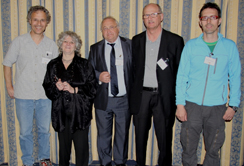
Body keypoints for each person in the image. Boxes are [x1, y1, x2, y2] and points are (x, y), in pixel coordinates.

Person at [175, 2, 241, 166]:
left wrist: (233, 105)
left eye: (213, 17)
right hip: (192, 107)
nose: (209, 21)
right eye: (205, 18)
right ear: (200, 21)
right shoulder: (191, 46)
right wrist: (180, 104)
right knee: (188, 149)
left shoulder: (229, 47)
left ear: (219, 21)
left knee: (213, 150)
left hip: (217, 108)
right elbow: (182, 76)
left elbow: (235, 77)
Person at [129, 3, 184, 166]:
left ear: (161, 16)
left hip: (164, 97)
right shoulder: (136, 40)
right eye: (146, 15)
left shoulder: (175, 40)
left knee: (164, 139)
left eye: (153, 14)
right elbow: (132, 71)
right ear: (143, 19)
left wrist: (180, 100)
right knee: (140, 138)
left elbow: (181, 73)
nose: (150, 18)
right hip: (142, 96)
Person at [2, 5, 58, 166]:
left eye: (42, 20)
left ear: (47, 22)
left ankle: (43, 160)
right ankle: (27, 161)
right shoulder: (19, 42)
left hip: (44, 97)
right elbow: (7, 63)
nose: (38, 23)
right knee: (25, 133)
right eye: (35, 19)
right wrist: (9, 86)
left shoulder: (51, 45)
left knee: (44, 131)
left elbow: (56, 70)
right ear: (29, 20)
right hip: (23, 96)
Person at [43, 31, 96, 166]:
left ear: (76, 46)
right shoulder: (53, 65)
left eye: (71, 42)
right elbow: (47, 87)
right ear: (61, 44)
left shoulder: (85, 64)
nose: (68, 44)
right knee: (64, 151)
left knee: (81, 149)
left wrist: (75, 90)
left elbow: (93, 88)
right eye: (65, 41)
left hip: (80, 114)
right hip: (61, 113)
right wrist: (56, 87)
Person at [88, 16, 132, 166]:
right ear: (102, 31)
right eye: (105, 28)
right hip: (103, 99)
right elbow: (89, 71)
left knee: (122, 134)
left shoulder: (130, 45)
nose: (109, 31)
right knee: (103, 135)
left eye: (111, 27)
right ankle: (105, 163)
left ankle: (120, 162)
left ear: (118, 28)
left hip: (124, 99)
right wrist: (98, 75)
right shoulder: (95, 48)